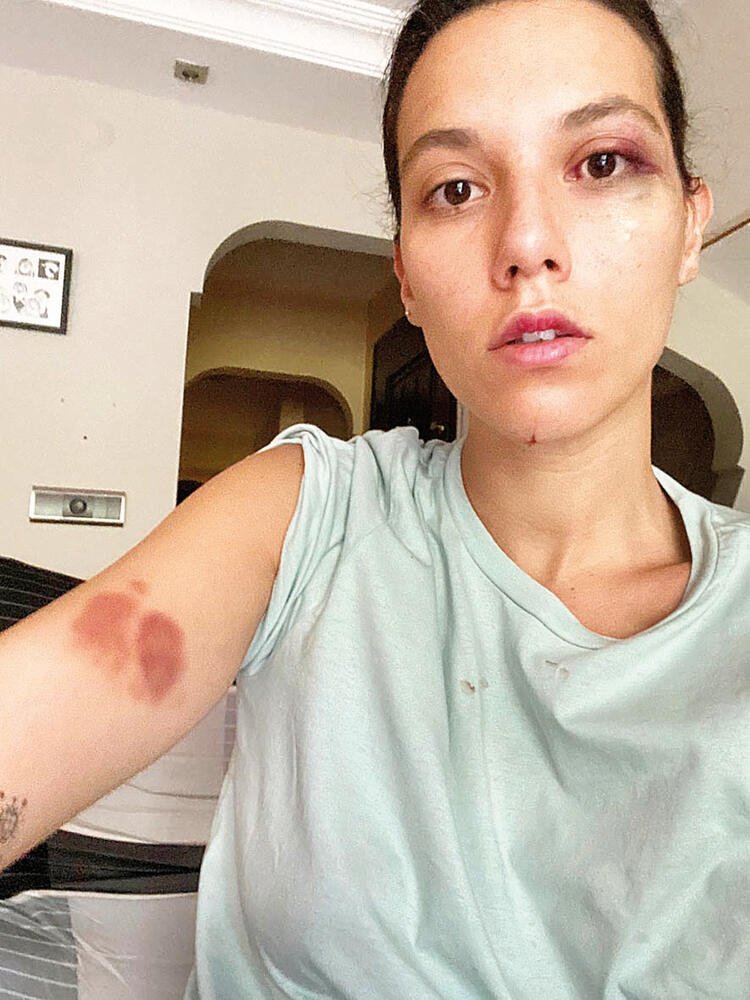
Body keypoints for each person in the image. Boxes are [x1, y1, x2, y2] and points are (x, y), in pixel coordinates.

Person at [0, 0, 747, 997]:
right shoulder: (303, 513)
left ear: (692, 225)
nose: (528, 242)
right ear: (406, 276)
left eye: (603, 163)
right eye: (456, 188)